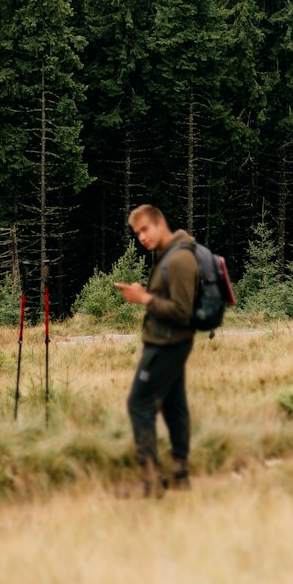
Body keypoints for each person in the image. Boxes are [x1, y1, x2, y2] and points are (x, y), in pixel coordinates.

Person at [114, 202, 200, 497]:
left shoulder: (178, 260)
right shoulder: (168, 256)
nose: (142, 238)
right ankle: (180, 474)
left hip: (167, 343)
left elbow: (182, 310)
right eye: (137, 233)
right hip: (170, 340)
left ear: (160, 223)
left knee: (139, 403)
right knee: (174, 406)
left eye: (145, 229)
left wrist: (144, 299)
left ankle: (151, 482)